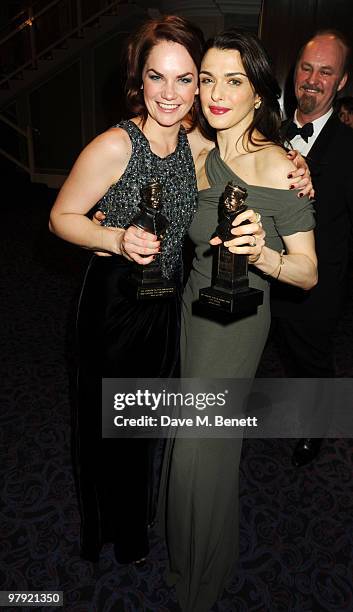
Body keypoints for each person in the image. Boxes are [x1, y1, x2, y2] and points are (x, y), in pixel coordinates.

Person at [162, 28, 317, 612]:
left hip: (238, 325)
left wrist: (262, 255)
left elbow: (307, 272)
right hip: (192, 311)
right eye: (208, 79)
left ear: (259, 92)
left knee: (208, 451)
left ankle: (204, 573)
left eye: (235, 80)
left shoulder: (281, 168)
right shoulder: (200, 148)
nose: (216, 93)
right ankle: (180, 542)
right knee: (186, 436)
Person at [271, 29, 353, 467]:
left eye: (326, 71)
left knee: (310, 365)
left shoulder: (349, 147)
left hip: (315, 287)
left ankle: (313, 431)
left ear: (341, 83)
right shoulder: (268, 130)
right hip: (259, 274)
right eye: (306, 68)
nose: (312, 79)